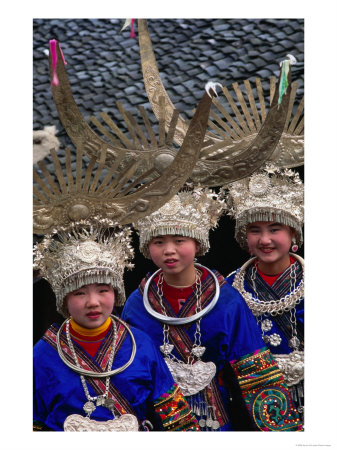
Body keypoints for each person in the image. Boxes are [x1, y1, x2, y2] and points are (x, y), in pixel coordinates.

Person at [122, 187, 303, 431]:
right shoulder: (137, 303)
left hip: (217, 420)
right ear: (146, 247)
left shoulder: (227, 300)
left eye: (179, 240)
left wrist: (282, 432)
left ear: (198, 243)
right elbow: (130, 372)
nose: (169, 250)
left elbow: (255, 372)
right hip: (158, 421)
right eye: (158, 241)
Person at [33, 223, 200, 431]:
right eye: (79, 293)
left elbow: (175, 417)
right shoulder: (42, 354)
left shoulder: (140, 344)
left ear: (117, 292)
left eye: (103, 290)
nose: (93, 302)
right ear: (63, 300)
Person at [223, 165, 304, 421]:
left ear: (293, 233)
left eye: (274, 229)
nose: (265, 239)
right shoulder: (229, 288)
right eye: (255, 230)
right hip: (253, 405)